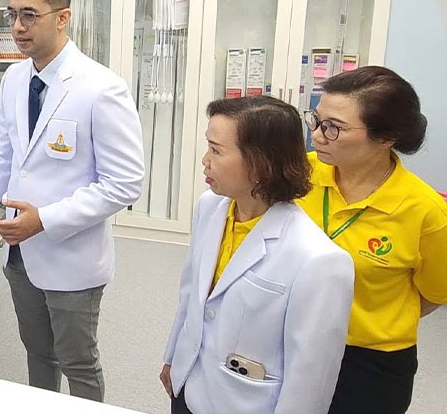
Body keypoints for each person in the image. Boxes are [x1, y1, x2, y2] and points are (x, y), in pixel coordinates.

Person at [0, 0, 145, 402]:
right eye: (11, 14)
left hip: (72, 256)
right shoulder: (14, 79)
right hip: (20, 255)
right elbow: (4, 156)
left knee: (78, 362)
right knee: (38, 353)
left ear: (62, 17)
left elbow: (125, 183)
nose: (17, 27)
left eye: (29, 15)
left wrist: (45, 220)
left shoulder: (101, 88)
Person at [161, 96, 354, 414]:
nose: (205, 160)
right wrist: (172, 358)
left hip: (242, 403)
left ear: (260, 164)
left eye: (216, 150)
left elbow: (310, 377)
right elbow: (191, 294)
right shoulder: (210, 207)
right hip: (188, 384)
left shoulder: (318, 260)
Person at [297, 66, 447, 414]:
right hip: (293, 339)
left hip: (371, 363)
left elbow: (434, 293)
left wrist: (374, 319)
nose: (317, 135)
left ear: (386, 138)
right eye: (316, 120)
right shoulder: (299, 174)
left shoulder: (425, 212)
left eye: (334, 127)